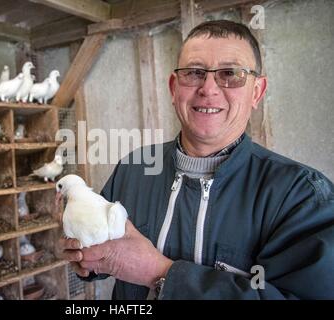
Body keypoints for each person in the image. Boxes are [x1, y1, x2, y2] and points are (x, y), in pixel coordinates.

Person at [57, 20, 334, 299]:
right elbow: (108, 250)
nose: (209, 88)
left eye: (230, 73)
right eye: (194, 72)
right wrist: (89, 259)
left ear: (257, 91)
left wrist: (158, 272)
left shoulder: (301, 196)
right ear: (174, 88)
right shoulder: (134, 168)